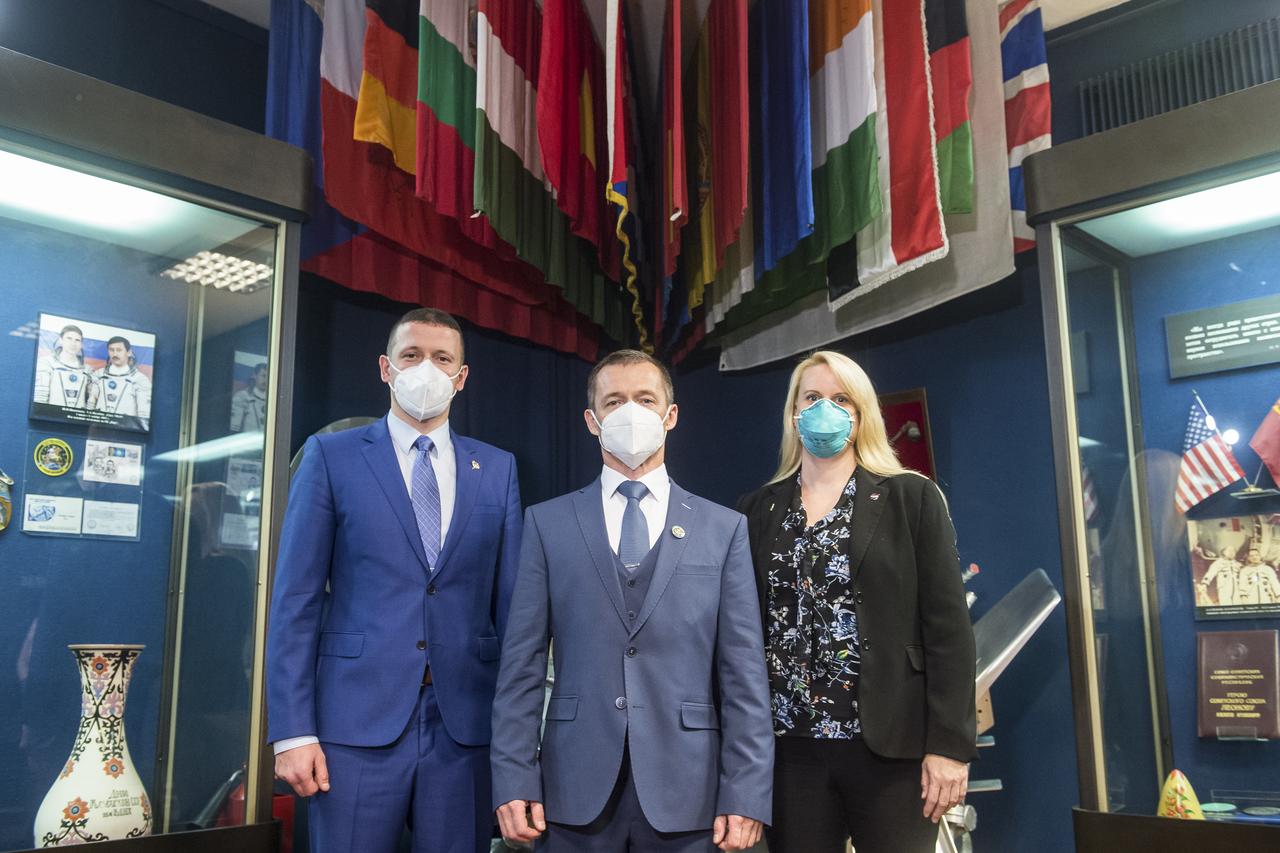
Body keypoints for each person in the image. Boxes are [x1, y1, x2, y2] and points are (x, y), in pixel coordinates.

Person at [491, 349, 773, 853]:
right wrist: (513, 776)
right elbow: (522, 666)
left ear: (671, 415)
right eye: (615, 401)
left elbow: (744, 674)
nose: (631, 412)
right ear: (592, 421)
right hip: (572, 790)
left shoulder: (723, 529)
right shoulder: (547, 524)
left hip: (690, 792)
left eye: (645, 399)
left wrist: (747, 791)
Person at [267, 307, 523, 853]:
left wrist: (518, 742)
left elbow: (513, 609)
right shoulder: (331, 457)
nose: (425, 368)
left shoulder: (497, 469)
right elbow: (296, 601)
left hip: (465, 729)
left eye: (441, 358)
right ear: (386, 368)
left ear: (461, 376)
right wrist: (293, 731)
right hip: (352, 727)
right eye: (412, 356)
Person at [736, 350, 976, 853]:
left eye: (841, 397)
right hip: (790, 750)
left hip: (890, 747)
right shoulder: (758, 510)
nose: (826, 408)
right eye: (813, 397)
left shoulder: (911, 498)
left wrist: (949, 748)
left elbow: (949, 632)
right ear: (793, 413)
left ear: (861, 411)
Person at [94, 336, 152, 430]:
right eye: (112, 350)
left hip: (125, 430)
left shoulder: (140, 379)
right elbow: (90, 404)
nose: (115, 353)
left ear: (128, 353)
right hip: (98, 428)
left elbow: (143, 414)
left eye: (119, 350)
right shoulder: (98, 374)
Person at [33, 324, 95, 409]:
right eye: (69, 339)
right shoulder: (46, 363)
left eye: (77, 340)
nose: (73, 344)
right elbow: (40, 398)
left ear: (81, 344)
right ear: (61, 340)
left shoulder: (87, 370)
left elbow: (92, 400)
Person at [230, 362, 269, 432]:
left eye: (268, 377)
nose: (266, 380)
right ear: (254, 375)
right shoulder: (242, 397)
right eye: (263, 376)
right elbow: (233, 429)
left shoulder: (273, 401)